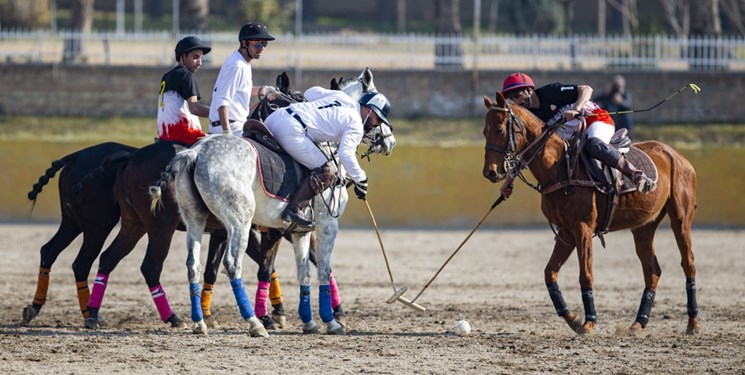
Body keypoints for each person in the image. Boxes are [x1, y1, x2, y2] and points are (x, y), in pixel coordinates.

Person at [498, 72, 656, 198]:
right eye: (511, 98)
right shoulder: (531, 117)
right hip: (572, 135)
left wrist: (577, 109)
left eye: (516, 95)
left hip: (596, 121)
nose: (515, 101)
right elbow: (527, 151)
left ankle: (636, 175)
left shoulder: (550, 92)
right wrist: (508, 182)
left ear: (529, 90)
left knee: (593, 145)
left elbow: (586, 89)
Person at [263, 87, 392, 230]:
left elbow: (309, 92)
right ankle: (294, 209)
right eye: (378, 119)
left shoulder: (341, 96)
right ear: (369, 110)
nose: (377, 125)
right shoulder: (356, 124)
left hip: (274, 118)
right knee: (328, 170)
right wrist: (360, 178)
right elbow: (345, 153)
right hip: (291, 131)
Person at [209, 22, 279, 135]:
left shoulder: (242, 62)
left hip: (233, 125)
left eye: (264, 44)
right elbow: (223, 101)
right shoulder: (237, 65)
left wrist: (263, 90)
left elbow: (240, 90)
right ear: (244, 43)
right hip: (231, 127)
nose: (261, 48)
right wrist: (226, 132)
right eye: (257, 44)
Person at [156, 36, 212, 145]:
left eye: (201, 58)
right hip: (185, 137)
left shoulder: (166, 76)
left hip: (164, 136)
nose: (200, 62)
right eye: (195, 57)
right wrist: (219, 113)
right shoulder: (186, 75)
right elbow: (194, 108)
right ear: (182, 56)